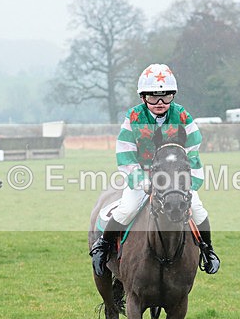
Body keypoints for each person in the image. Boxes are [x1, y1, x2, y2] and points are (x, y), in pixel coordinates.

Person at [89, 63, 220, 277]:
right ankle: (102, 248)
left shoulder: (183, 118)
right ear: (143, 97)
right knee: (126, 209)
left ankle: (207, 250)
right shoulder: (133, 119)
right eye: (153, 97)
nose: (159, 103)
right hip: (143, 177)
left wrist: (188, 183)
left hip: (176, 179)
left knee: (198, 209)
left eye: (165, 96)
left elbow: (193, 155)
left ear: (173, 96)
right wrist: (143, 182)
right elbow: (125, 156)